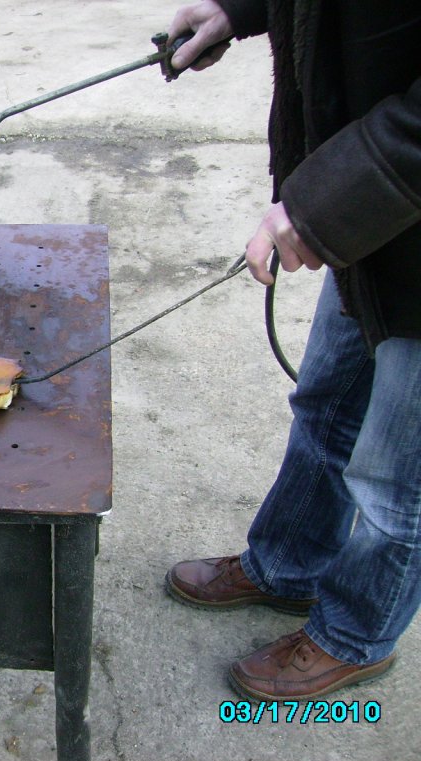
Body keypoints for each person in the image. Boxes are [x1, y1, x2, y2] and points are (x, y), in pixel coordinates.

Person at [162, 0, 421, 701]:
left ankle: (355, 636)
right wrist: (240, 8)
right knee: (327, 405)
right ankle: (288, 567)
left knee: (398, 479)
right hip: (382, 209)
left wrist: (324, 204)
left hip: (389, 181)